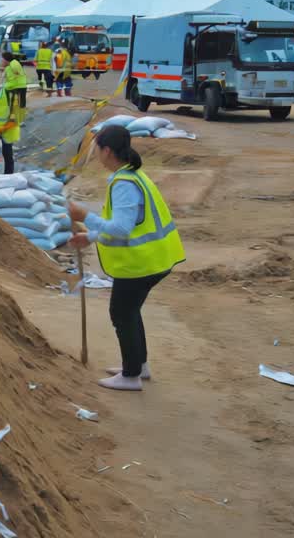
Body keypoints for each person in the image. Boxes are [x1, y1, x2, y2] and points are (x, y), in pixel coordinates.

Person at [67, 126, 185, 391]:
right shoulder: (133, 175)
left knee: (121, 313)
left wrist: (84, 216)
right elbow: (124, 225)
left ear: (107, 151)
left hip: (141, 263)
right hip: (154, 258)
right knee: (130, 311)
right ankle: (138, 366)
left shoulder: (123, 184)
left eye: (97, 148)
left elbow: (121, 228)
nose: (96, 154)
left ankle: (130, 375)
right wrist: (91, 237)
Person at [1, 52, 29, 123]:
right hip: (20, 85)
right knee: (21, 103)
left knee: (14, 102)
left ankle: (13, 117)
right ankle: (19, 120)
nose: (1, 61)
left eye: (2, 59)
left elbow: (16, 72)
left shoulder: (13, 63)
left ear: (6, 59)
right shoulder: (10, 65)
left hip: (15, 86)